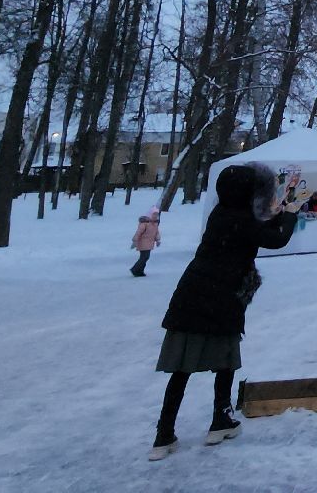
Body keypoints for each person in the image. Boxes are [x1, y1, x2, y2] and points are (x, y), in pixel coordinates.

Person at [151, 163, 299, 460]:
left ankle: (164, 434)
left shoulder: (222, 214)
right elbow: (274, 239)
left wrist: (278, 211)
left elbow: (258, 227)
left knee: (181, 368)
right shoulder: (242, 219)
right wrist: (291, 213)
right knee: (226, 358)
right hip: (223, 296)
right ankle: (221, 418)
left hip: (192, 293)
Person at [131, 207, 162, 277]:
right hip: (143, 243)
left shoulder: (155, 224)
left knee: (145, 257)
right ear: (150, 215)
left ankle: (140, 271)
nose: (156, 216)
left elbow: (156, 233)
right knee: (144, 257)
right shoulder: (144, 224)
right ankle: (135, 270)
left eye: (157, 215)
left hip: (149, 244)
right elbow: (138, 233)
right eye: (154, 214)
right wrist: (135, 241)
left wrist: (158, 240)